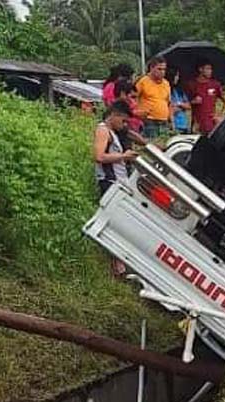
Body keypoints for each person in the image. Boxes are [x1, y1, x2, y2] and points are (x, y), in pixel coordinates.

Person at [93, 101, 140, 277]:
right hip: (110, 181)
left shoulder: (113, 132)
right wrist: (123, 156)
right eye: (124, 120)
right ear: (115, 115)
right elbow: (98, 156)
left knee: (122, 221)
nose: (125, 125)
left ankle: (120, 262)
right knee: (115, 222)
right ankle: (117, 264)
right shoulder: (103, 130)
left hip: (119, 181)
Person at [134, 56, 172, 141]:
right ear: (151, 68)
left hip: (164, 121)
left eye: (164, 69)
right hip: (149, 121)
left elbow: (168, 103)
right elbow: (133, 97)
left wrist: (171, 121)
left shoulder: (166, 83)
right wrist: (137, 112)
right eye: (159, 69)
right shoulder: (143, 81)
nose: (162, 72)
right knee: (151, 145)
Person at [187, 60, 225, 134]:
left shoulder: (215, 84)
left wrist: (219, 115)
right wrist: (193, 101)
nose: (210, 71)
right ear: (200, 69)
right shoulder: (192, 84)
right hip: (197, 125)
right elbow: (185, 103)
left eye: (211, 69)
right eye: (207, 69)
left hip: (211, 124)